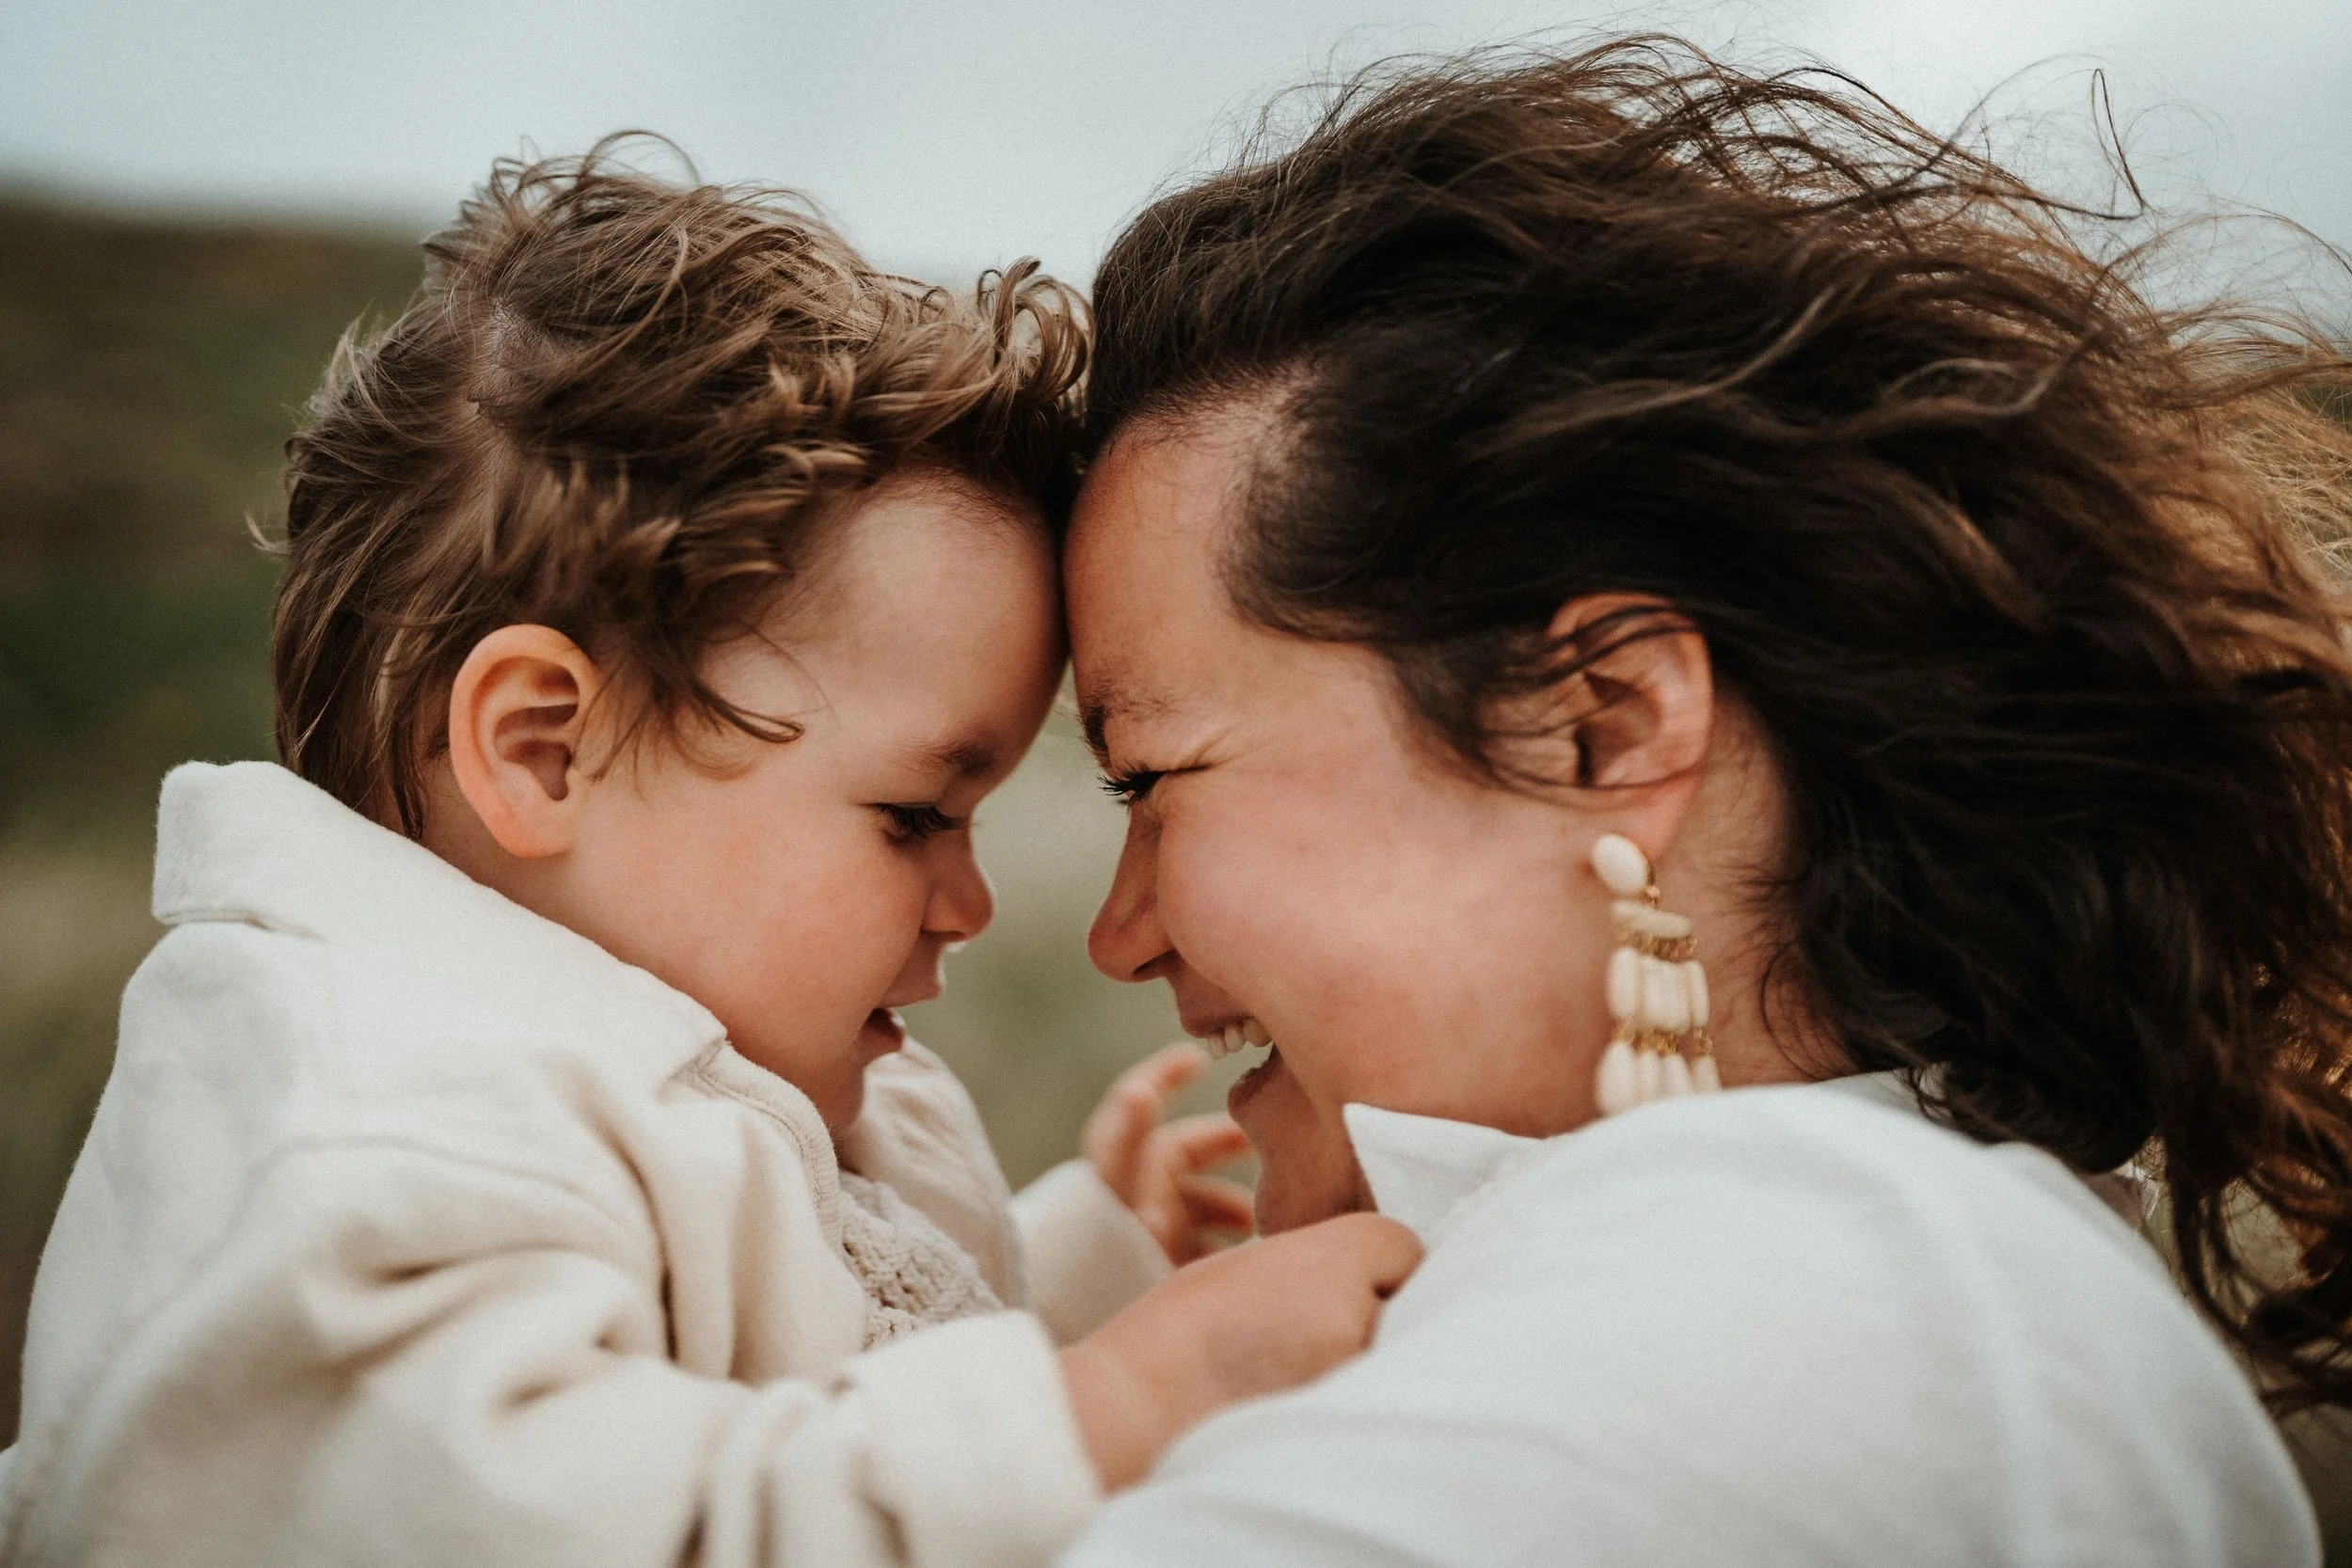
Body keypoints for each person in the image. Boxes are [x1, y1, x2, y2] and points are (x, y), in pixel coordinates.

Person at [0, 149, 1419, 1568]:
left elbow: (792, 1372)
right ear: (545, 749)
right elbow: (603, 1530)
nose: (971, 904)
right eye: (914, 813)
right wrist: (1118, 1403)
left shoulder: (680, 1065)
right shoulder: (377, 1134)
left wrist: (1068, 1275)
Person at [1057, 40, 2352, 1567]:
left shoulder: (1787, 1288)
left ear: (1603, 726)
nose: (1118, 932)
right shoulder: (1897, 1270)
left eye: (1153, 775)